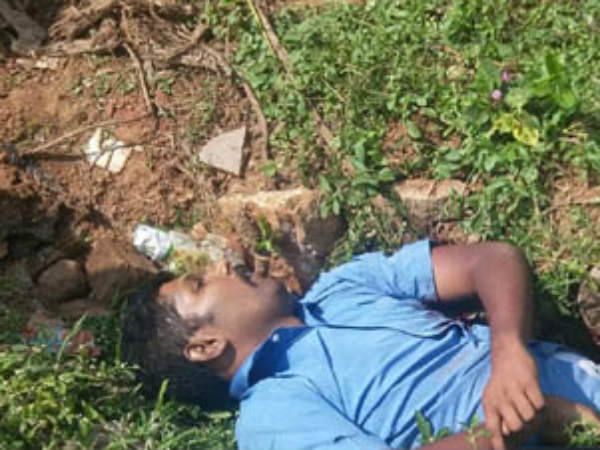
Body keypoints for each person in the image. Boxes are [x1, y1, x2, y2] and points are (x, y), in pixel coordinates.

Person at [123, 239, 600, 450]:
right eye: (200, 284)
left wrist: (509, 350)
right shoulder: (271, 416)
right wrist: (504, 436)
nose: (224, 266)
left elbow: (491, 260)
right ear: (205, 345)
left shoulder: (342, 287)